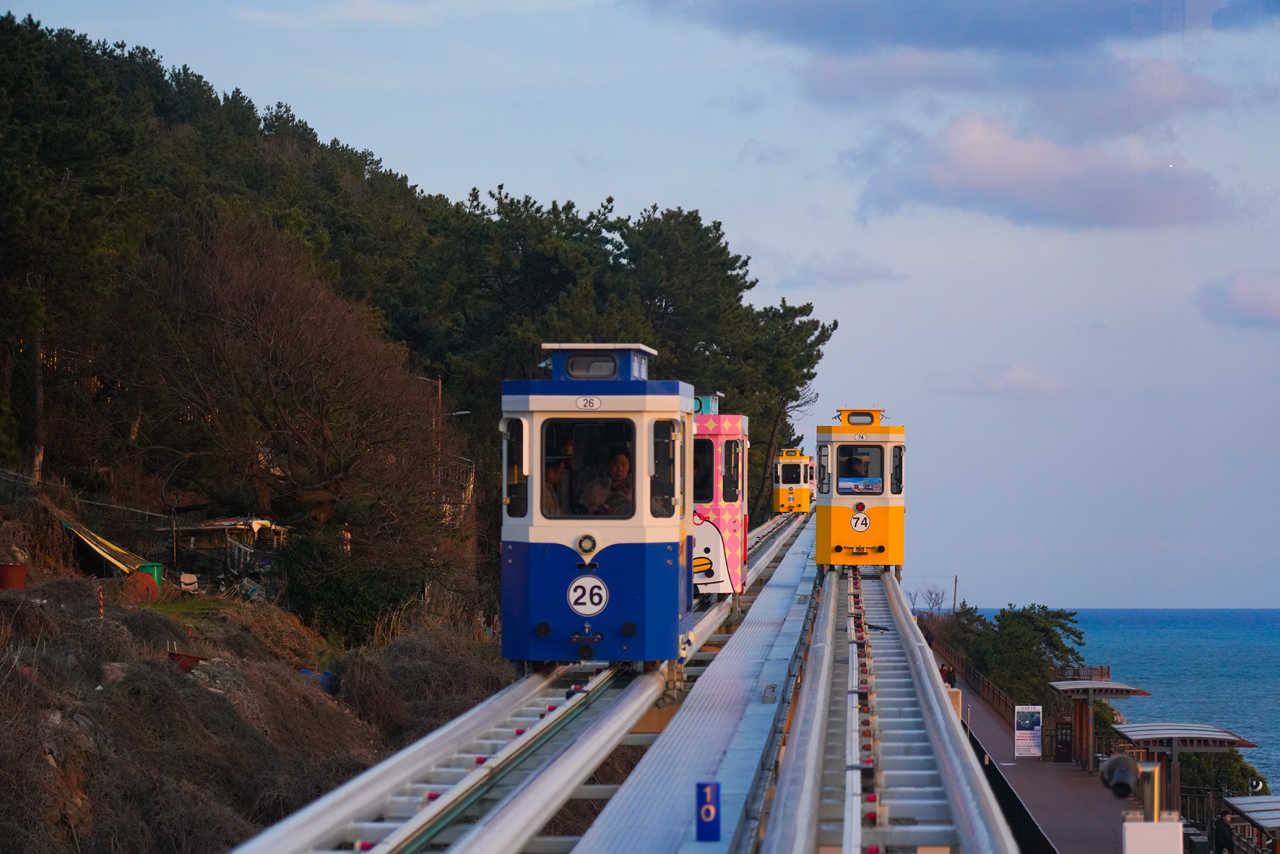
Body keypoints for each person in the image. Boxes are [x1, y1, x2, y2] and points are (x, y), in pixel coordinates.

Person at [581, 450, 634, 516]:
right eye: (615, 464)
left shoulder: (635, 486)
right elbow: (586, 508)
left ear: (629, 467)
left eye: (624, 465)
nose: (619, 469)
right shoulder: (595, 486)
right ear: (608, 466)